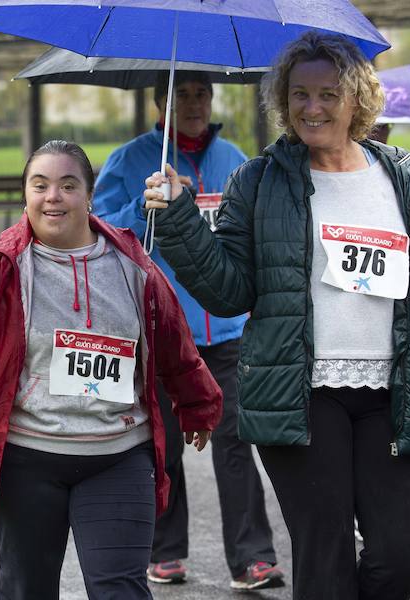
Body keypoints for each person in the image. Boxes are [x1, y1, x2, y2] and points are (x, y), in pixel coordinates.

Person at [144, 31, 410, 600]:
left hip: (392, 393)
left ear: (358, 98)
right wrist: (180, 219)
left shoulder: (407, 180)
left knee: (404, 553)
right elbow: (229, 292)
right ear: (283, 100)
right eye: (300, 94)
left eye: (328, 94)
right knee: (325, 558)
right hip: (299, 394)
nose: (312, 107)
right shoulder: (258, 180)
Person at [0, 141, 223, 599]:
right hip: (26, 461)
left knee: (120, 590)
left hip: (119, 457)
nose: (53, 196)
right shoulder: (2, 266)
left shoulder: (134, 266)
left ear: (89, 196)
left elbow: (173, 341)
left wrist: (198, 403)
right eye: (40, 185)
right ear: (26, 197)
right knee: (26, 589)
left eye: (68, 185)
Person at [93, 71, 284, 590]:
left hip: (228, 331)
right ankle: (164, 551)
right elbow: (101, 231)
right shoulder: (130, 161)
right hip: (161, 330)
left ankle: (252, 557)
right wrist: (143, 208)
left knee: (237, 442)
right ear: (161, 102)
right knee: (164, 447)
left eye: (203, 94)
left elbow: (255, 237)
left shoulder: (236, 160)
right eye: (182, 95)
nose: (195, 103)